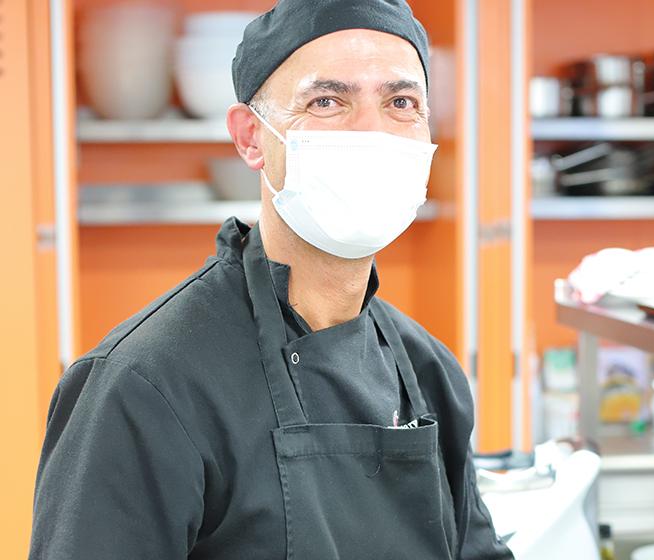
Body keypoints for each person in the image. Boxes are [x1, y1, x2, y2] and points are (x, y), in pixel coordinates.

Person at [29, 1, 513, 558]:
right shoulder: (143, 386)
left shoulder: (430, 372)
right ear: (251, 138)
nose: (371, 131)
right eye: (327, 101)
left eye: (400, 102)